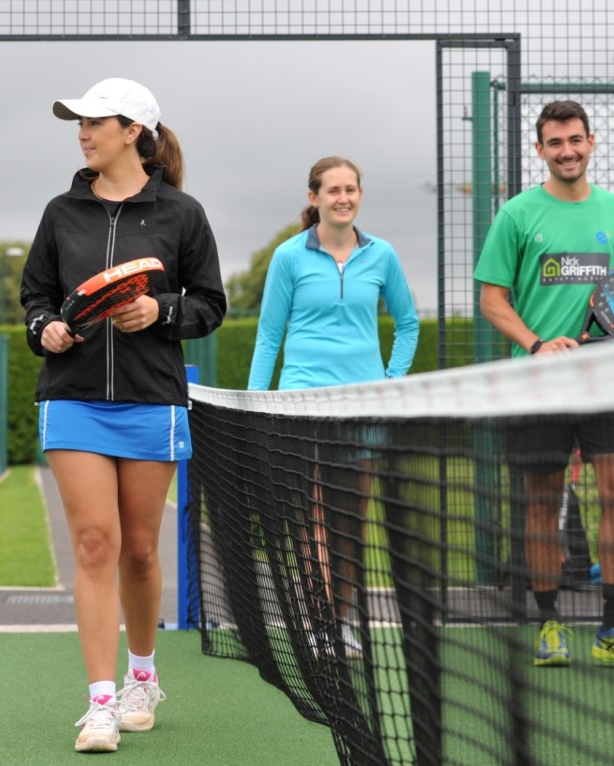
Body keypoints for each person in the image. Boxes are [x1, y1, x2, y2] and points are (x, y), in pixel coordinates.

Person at [21, 77, 226, 753]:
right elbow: (35, 298)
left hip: (151, 402)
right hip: (73, 401)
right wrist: (45, 328)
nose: (82, 132)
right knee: (95, 545)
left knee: (139, 549)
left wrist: (159, 311)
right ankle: (100, 703)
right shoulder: (60, 213)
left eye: (94, 121)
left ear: (133, 130)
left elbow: (209, 305)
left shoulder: (183, 214)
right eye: (78, 122)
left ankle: (143, 676)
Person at [473, 100, 614, 670]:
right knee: (540, 503)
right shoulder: (516, 216)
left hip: (606, 379)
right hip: (538, 383)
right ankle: (550, 623)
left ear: (591, 142)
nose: (567, 151)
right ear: (540, 151)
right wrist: (536, 344)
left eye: (575, 140)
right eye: (555, 143)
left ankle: (613, 624)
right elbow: (491, 299)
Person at [247, 156, 420, 660]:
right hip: (303, 403)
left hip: (363, 408)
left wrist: (391, 382)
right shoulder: (289, 257)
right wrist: (257, 403)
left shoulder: (382, 255)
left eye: (351, 189)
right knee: (315, 520)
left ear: (359, 195)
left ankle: (341, 622)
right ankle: (320, 623)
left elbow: (407, 324)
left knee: (350, 522)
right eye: (332, 190)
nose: (342, 197)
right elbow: (269, 335)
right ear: (314, 197)